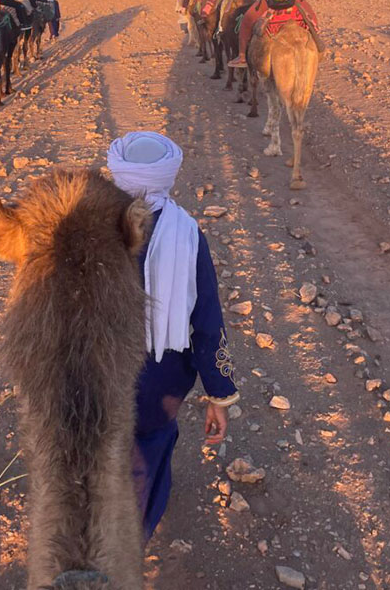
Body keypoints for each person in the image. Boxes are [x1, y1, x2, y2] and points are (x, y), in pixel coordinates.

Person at [107, 132, 239, 540]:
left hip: (95, 370)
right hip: (158, 379)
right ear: (169, 175)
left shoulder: (87, 229)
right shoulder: (186, 235)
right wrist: (219, 396)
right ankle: (133, 537)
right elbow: (206, 322)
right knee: (149, 449)